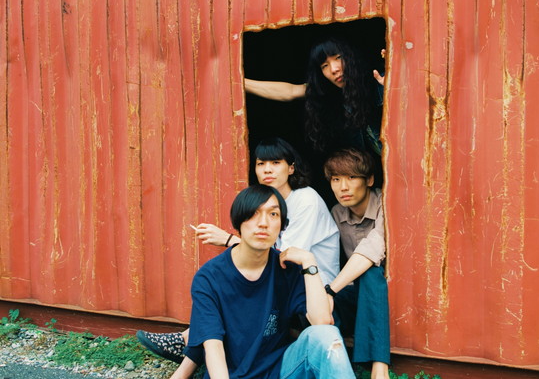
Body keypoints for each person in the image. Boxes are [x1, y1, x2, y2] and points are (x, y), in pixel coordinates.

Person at [137, 138, 340, 363]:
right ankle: (190, 346)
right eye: (261, 164)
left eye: (275, 163)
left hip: (316, 286)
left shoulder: (306, 199)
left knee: (245, 292)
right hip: (288, 282)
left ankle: (187, 342)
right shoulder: (270, 203)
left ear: (291, 168)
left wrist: (229, 240)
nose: (267, 170)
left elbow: (283, 257)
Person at [170, 185, 355, 379]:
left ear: (282, 225)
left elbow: (322, 322)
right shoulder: (209, 278)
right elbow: (213, 346)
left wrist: (309, 261)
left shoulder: (287, 270)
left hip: (281, 370)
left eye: (273, 214)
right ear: (239, 221)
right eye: (254, 214)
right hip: (233, 375)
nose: (264, 223)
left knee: (326, 334)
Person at [244, 37, 385, 157]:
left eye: (338, 58)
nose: (334, 69)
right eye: (324, 65)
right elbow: (290, 91)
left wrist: (393, 86)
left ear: (352, 56)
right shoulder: (330, 91)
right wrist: (238, 82)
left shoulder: (379, 80)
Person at [323, 148, 390, 379]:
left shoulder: (385, 203)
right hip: (357, 293)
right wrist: (325, 293)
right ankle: (336, 358)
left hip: (387, 292)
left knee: (370, 272)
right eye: (336, 179)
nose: (343, 187)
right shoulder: (336, 213)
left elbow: (372, 249)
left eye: (351, 177)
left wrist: (330, 290)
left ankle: (379, 365)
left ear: (369, 180)